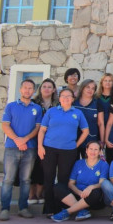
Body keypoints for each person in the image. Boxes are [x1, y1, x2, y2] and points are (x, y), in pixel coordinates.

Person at [38, 88, 89, 216]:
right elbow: (42, 130)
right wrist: (40, 146)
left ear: (72, 99)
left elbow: (86, 131)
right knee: (48, 178)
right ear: (59, 98)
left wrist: (76, 145)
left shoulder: (77, 113)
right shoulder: (51, 111)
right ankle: (49, 209)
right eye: (63, 96)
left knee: (63, 180)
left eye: (69, 96)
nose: (66, 98)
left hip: (68, 151)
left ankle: (62, 208)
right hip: (49, 148)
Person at [0, 79, 41, 221]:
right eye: (25, 88)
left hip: (29, 149)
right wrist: (18, 140)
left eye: (31, 88)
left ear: (34, 91)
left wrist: (25, 139)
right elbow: (5, 125)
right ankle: (4, 209)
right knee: (8, 179)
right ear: (20, 89)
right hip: (12, 148)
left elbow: (37, 128)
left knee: (25, 180)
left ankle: (23, 208)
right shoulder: (11, 106)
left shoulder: (37, 108)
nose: (28, 90)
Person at [49, 141, 108, 222]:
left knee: (96, 192)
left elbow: (102, 184)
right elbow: (71, 183)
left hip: (91, 198)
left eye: (96, 149)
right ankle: (82, 211)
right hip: (77, 196)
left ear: (99, 152)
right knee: (58, 187)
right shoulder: (79, 163)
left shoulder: (103, 164)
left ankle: (67, 212)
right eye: (90, 149)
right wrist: (79, 192)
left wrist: (91, 187)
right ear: (86, 150)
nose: (93, 152)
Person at [29, 79, 58, 205]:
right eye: (44, 86)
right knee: (31, 166)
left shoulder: (57, 105)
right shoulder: (33, 103)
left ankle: (40, 193)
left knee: (44, 168)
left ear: (54, 89)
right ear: (40, 89)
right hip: (32, 139)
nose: (46, 89)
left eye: (49, 87)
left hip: (50, 141)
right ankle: (31, 194)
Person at [74, 80, 100, 157]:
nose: (90, 90)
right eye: (87, 87)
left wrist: (102, 141)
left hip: (91, 140)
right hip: (74, 139)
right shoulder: (74, 103)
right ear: (82, 88)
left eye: (93, 88)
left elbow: (100, 123)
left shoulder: (97, 103)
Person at [97, 73, 113, 142]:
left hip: (112, 128)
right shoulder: (96, 97)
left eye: (110, 81)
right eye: (105, 80)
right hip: (98, 128)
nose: (107, 82)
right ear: (101, 83)